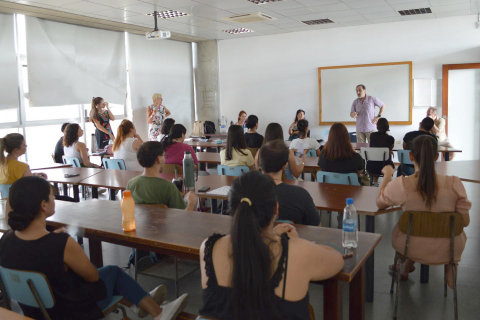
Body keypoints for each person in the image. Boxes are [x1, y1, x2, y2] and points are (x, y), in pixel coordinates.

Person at [0, 176, 189, 320]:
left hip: (36, 311)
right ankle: (157, 311)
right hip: (70, 311)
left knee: (111, 276)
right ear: (43, 205)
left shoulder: (6, 239)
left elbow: (34, 257)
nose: (54, 198)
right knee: (112, 273)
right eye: (51, 195)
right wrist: (69, 248)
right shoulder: (61, 244)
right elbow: (93, 276)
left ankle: (141, 299)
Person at [198, 171, 345, 320]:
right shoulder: (299, 252)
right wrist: (293, 242)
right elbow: (337, 259)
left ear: (232, 208)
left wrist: (271, 235)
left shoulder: (209, 248)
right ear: (276, 208)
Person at [377, 135, 471, 288]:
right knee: (434, 228)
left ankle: (404, 267)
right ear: (436, 156)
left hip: (411, 246)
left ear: (410, 156)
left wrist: (387, 175)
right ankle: (451, 264)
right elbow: (465, 222)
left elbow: (379, 203)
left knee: (415, 228)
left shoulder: (401, 185)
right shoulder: (454, 184)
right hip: (450, 247)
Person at [259, 140, 320, 226]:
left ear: (260, 164)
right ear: (285, 166)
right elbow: (316, 226)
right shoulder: (301, 195)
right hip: (291, 238)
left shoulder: (246, 193)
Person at [126, 141, 197, 210]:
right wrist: (191, 203)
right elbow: (182, 219)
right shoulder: (169, 187)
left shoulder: (131, 184)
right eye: (164, 155)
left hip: (139, 222)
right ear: (159, 159)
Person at [0, 133, 47, 198]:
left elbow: (13, 179)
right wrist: (40, 179)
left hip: (6, 205)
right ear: (16, 150)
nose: (26, 146)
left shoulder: (2, 164)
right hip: (22, 204)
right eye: (24, 145)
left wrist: (34, 175)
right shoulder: (22, 167)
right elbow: (32, 188)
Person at [366, 118, 395, 185]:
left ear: (377, 126)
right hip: (385, 165)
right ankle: (387, 184)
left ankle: (374, 183)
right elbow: (390, 148)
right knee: (385, 160)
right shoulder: (390, 138)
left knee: (377, 162)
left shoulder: (372, 136)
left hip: (371, 165)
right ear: (387, 126)